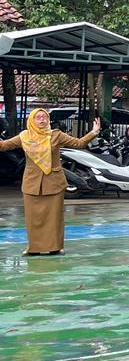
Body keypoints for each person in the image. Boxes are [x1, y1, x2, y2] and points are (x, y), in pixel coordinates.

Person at [0, 108, 101, 255]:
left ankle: (55, 247)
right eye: (38, 117)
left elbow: (78, 143)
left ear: (48, 120)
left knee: (54, 218)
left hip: (54, 182)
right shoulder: (24, 136)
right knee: (33, 218)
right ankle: (34, 248)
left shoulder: (56, 135)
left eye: (44, 117)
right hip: (31, 183)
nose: (41, 120)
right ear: (32, 120)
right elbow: (3, 146)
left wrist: (94, 132)